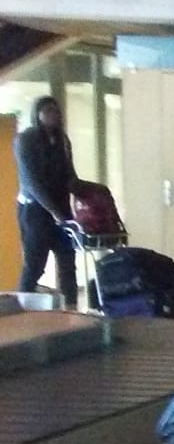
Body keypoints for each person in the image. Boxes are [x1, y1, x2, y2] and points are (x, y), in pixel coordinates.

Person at [14, 96, 79, 307]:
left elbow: (70, 175)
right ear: (38, 114)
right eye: (48, 110)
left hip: (60, 206)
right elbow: (32, 182)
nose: (54, 115)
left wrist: (90, 194)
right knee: (35, 263)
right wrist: (54, 212)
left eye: (56, 110)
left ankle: (71, 309)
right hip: (34, 208)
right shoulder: (26, 140)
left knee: (68, 262)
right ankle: (22, 309)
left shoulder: (62, 140)